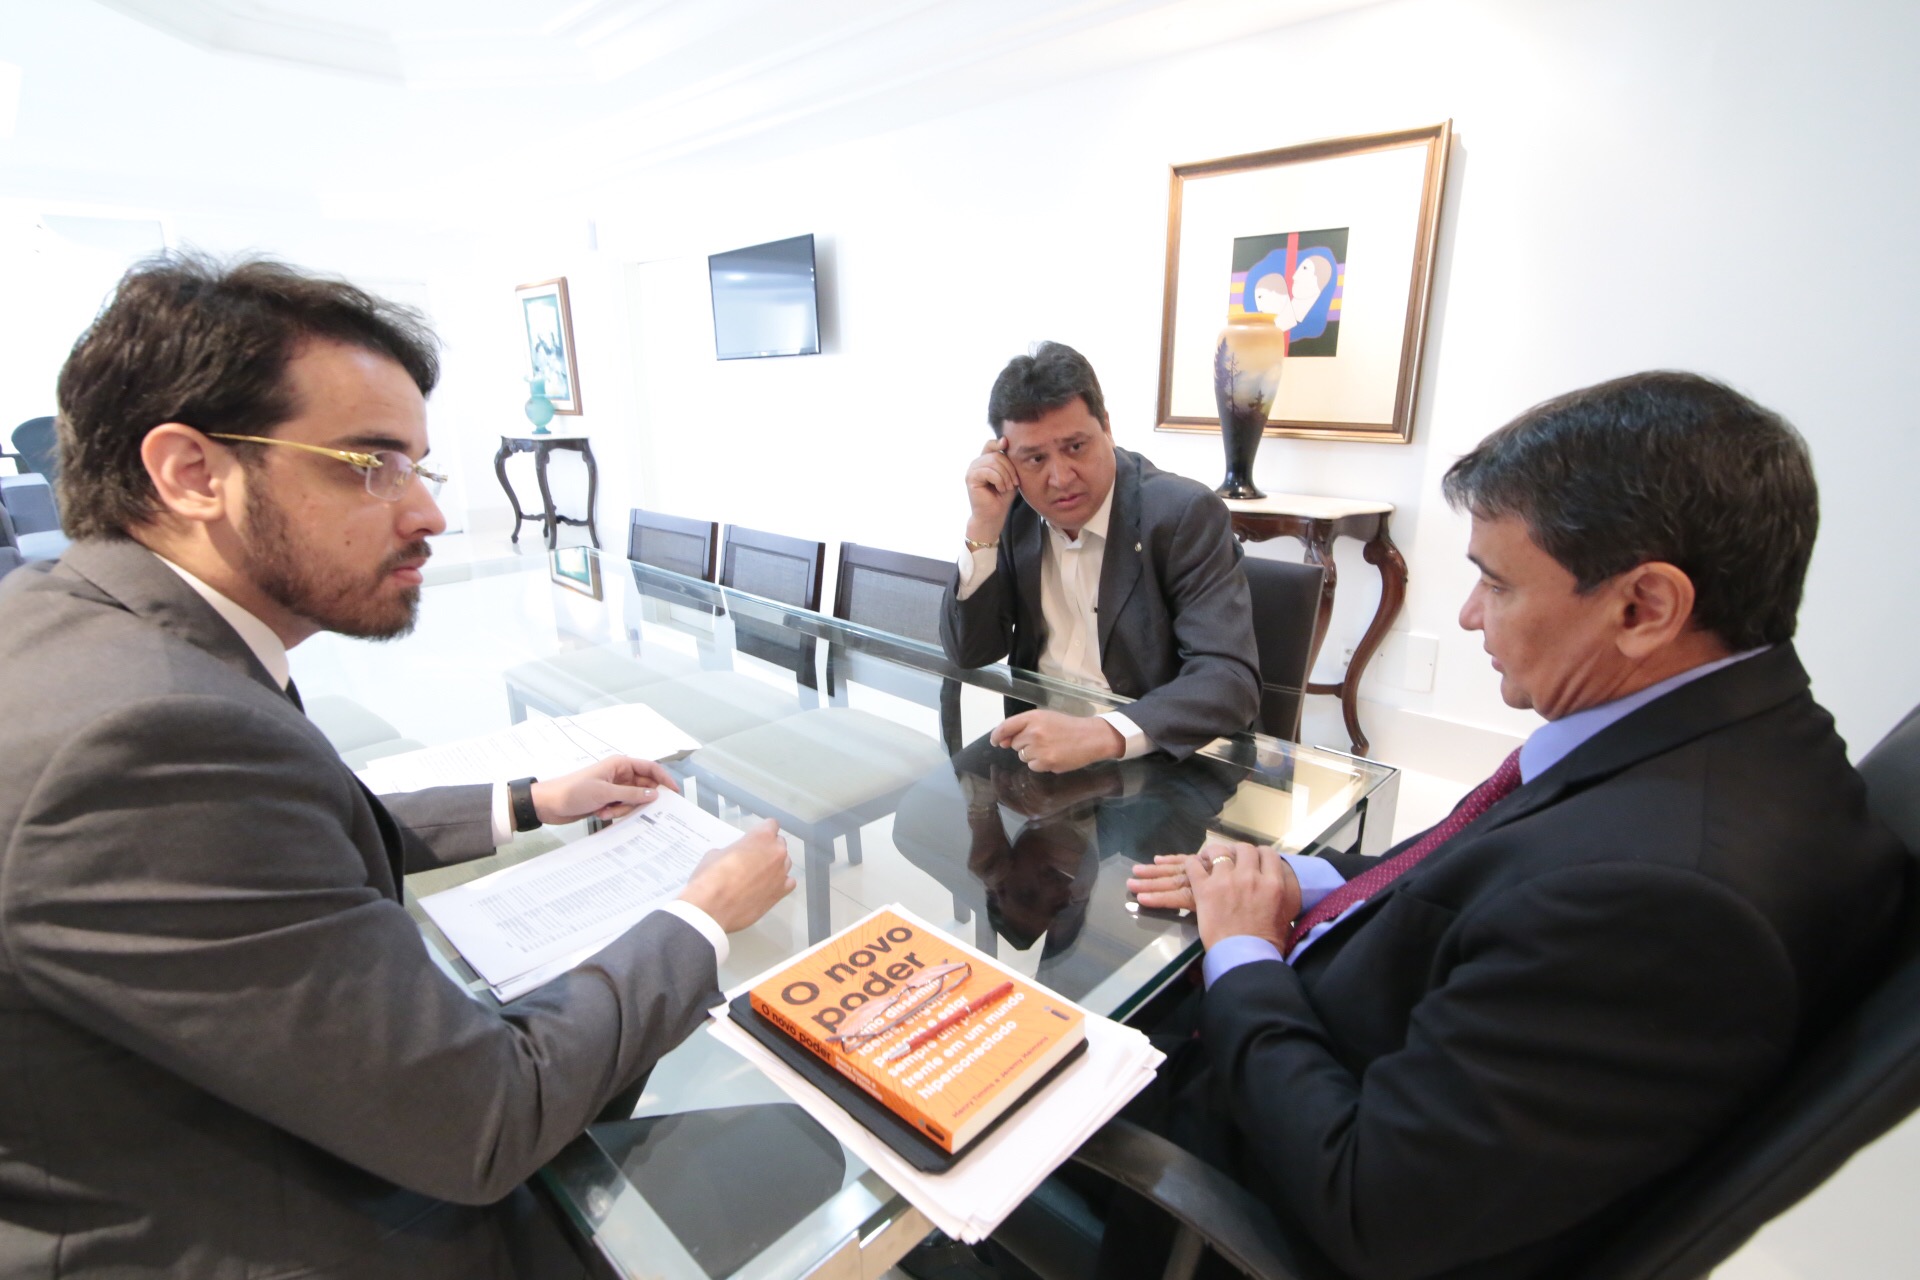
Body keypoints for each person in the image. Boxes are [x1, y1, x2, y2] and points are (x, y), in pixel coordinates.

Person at [0, 254, 795, 1279]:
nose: (427, 514)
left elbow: (277, 838)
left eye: (419, 467)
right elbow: (485, 1117)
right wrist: (702, 916)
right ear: (192, 472)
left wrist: (532, 799)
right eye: (369, 464)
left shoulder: (74, 623)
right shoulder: (150, 735)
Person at [1084, 371, 1910, 1280]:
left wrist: (1245, 955)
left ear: (1645, 607)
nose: (1470, 615)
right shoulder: (1718, 736)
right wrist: (1304, 880)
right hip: (1344, 1029)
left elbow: (1370, 1203)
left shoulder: (1664, 906)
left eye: (1496, 582)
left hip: (1226, 1184)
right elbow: (1482, 867)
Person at [939, 341, 1260, 773]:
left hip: (1157, 761)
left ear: (1106, 427)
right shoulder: (1012, 513)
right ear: (1006, 460)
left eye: (1075, 447)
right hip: (1039, 758)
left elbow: (1228, 680)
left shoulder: (1183, 514)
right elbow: (969, 653)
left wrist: (1103, 734)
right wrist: (983, 529)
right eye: (1035, 458)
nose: (1059, 478)